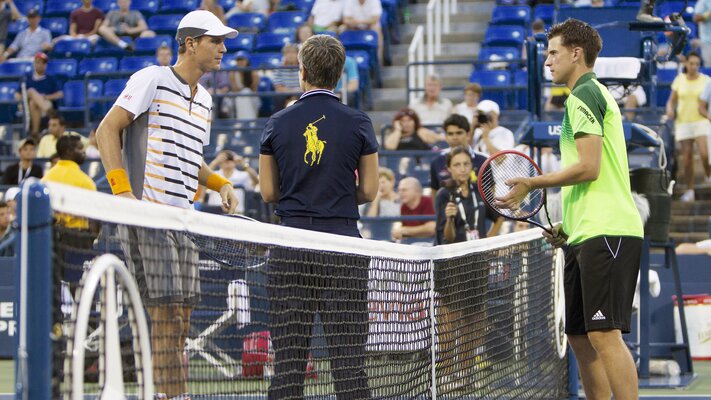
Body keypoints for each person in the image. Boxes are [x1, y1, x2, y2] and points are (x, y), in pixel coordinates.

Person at [497, 19, 644, 400]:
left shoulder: (585, 94)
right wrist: (567, 224)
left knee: (603, 333)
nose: (547, 61)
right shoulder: (580, 98)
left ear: (576, 53)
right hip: (583, 232)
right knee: (579, 337)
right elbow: (592, 177)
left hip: (608, 229)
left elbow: (589, 168)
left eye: (553, 52)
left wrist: (532, 182)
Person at [95, 10, 239, 398]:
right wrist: (122, 192)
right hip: (148, 217)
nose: (224, 49)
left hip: (185, 223)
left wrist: (218, 182)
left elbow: (191, 159)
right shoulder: (151, 79)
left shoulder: (205, 100)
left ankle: (172, 393)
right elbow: (106, 130)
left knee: (182, 318)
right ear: (190, 43)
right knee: (165, 314)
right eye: (216, 41)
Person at [259, 34, 378, 399]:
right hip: (343, 245)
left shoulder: (277, 123)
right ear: (340, 74)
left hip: (291, 246)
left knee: (289, 364)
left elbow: (268, 193)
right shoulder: (358, 122)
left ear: (303, 71)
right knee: (348, 363)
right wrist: (337, 200)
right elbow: (370, 191)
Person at [432, 146, 501, 388]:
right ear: (449, 168)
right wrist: (450, 217)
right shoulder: (444, 194)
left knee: (474, 319)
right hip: (451, 263)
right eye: (457, 165)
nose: (462, 168)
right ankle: (447, 373)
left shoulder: (480, 190)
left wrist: (488, 241)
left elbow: (498, 217)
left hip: (477, 262)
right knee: (449, 321)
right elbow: (446, 236)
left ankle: (466, 374)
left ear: (471, 166)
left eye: (465, 164)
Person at [666, 52, 711, 201]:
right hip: (683, 123)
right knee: (686, 159)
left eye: (697, 64)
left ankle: (708, 174)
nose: (694, 66)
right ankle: (690, 190)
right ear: (687, 64)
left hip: (701, 121)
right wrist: (670, 109)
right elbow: (671, 100)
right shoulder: (679, 80)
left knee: (705, 154)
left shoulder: (706, 81)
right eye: (692, 63)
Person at [429, 114, 487, 191]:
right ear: (446, 136)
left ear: (468, 134)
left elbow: (490, 193)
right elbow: (435, 194)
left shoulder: (483, 161)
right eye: (450, 134)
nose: (455, 137)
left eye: (459, 133)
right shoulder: (437, 162)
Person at [15, 52, 64, 137]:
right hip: (29, 108)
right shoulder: (27, 78)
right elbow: (17, 94)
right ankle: (50, 112)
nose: (40, 65)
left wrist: (45, 97)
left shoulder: (50, 78)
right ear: (34, 63)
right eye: (38, 62)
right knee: (31, 92)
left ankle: (35, 133)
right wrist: (21, 103)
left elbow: (60, 94)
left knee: (33, 103)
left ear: (45, 65)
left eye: (43, 63)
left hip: (47, 103)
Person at [391, 176, 436, 243]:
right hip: (413, 244)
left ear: (416, 191)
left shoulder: (429, 201)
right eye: (399, 190)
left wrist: (405, 230)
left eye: (404, 190)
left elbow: (432, 228)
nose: (400, 193)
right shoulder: (404, 207)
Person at [228, 50, 260, 119]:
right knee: (240, 97)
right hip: (237, 96)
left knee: (246, 92)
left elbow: (254, 89)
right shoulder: (233, 73)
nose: (240, 62)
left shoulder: (253, 72)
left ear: (247, 61)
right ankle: (240, 121)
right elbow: (235, 89)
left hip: (251, 96)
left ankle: (251, 121)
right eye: (238, 60)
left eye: (242, 60)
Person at [272, 43, 302, 108]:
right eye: (287, 53)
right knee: (278, 97)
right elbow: (278, 87)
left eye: (293, 52)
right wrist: (291, 92)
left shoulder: (304, 67)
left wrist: (294, 94)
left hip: (300, 92)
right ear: (284, 55)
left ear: (298, 54)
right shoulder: (279, 68)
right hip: (285, 93)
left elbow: (306, 85)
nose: (290, 55)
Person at [694, 0, 711, 68]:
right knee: (709, 68)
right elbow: (696, 18)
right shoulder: (703, 1)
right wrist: (708, 14)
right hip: (707, 41)